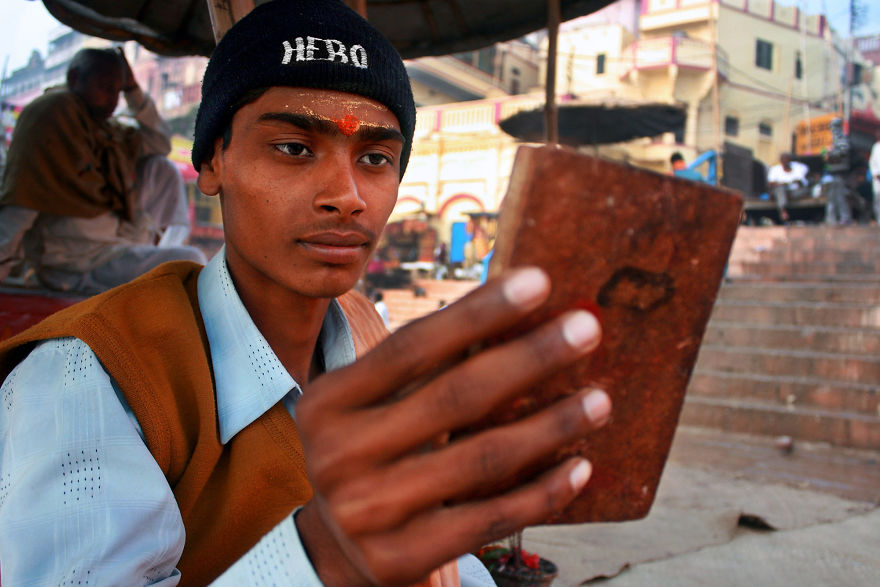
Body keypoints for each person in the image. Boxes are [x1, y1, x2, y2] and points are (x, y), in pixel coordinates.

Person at [0, 2, 611, 586]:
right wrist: (327, 559)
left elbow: (446, 565)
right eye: (294, 148)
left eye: (375, 156)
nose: (346, 194)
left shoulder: (370, 340)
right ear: (214, 161)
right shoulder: (91, 377)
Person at [0, 47, 205, 294]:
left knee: (160, 167)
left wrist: (133, 90)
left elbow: (160, 143)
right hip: (72, 264)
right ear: (75, 79)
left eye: (117, 92)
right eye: (104, 87)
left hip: (112, 250)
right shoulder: (54, 115)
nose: (112, 100)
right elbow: (24, 200)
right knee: (191, 262)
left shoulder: (107, 133)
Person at [767, 153, 810, 223]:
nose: (785, 162)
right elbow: (771, 184)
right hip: (780, 191)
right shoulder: (775, 169)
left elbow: (803, 183)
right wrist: (783, 184)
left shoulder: (797, 168)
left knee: (805, 190)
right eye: (783, 160)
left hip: (792, 192)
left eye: (787, 160)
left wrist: (798, 182)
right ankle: (783, 210)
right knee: (780, 189)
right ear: (781, 161)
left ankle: (787, 197)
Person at [870, 128, 880, 223]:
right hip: (878, 179)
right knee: (878, 201)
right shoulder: (876, 147)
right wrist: (876, 174)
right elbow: (872, 163)